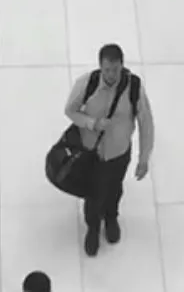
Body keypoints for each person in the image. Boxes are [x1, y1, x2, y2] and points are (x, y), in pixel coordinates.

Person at [64, 44, 154, 257]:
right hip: (92, 154)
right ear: (100, 67)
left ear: (122, 66)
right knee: (93, 195)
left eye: (115, 69)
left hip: (118, 153)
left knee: (114, 189)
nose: (111, 75)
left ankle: (111, 217)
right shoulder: (87, 84)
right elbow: (70, 110)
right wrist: (92, 123)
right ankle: (93, 227)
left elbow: (146, 123)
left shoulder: (134, 88)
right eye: (107, 70)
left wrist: (144, 158)